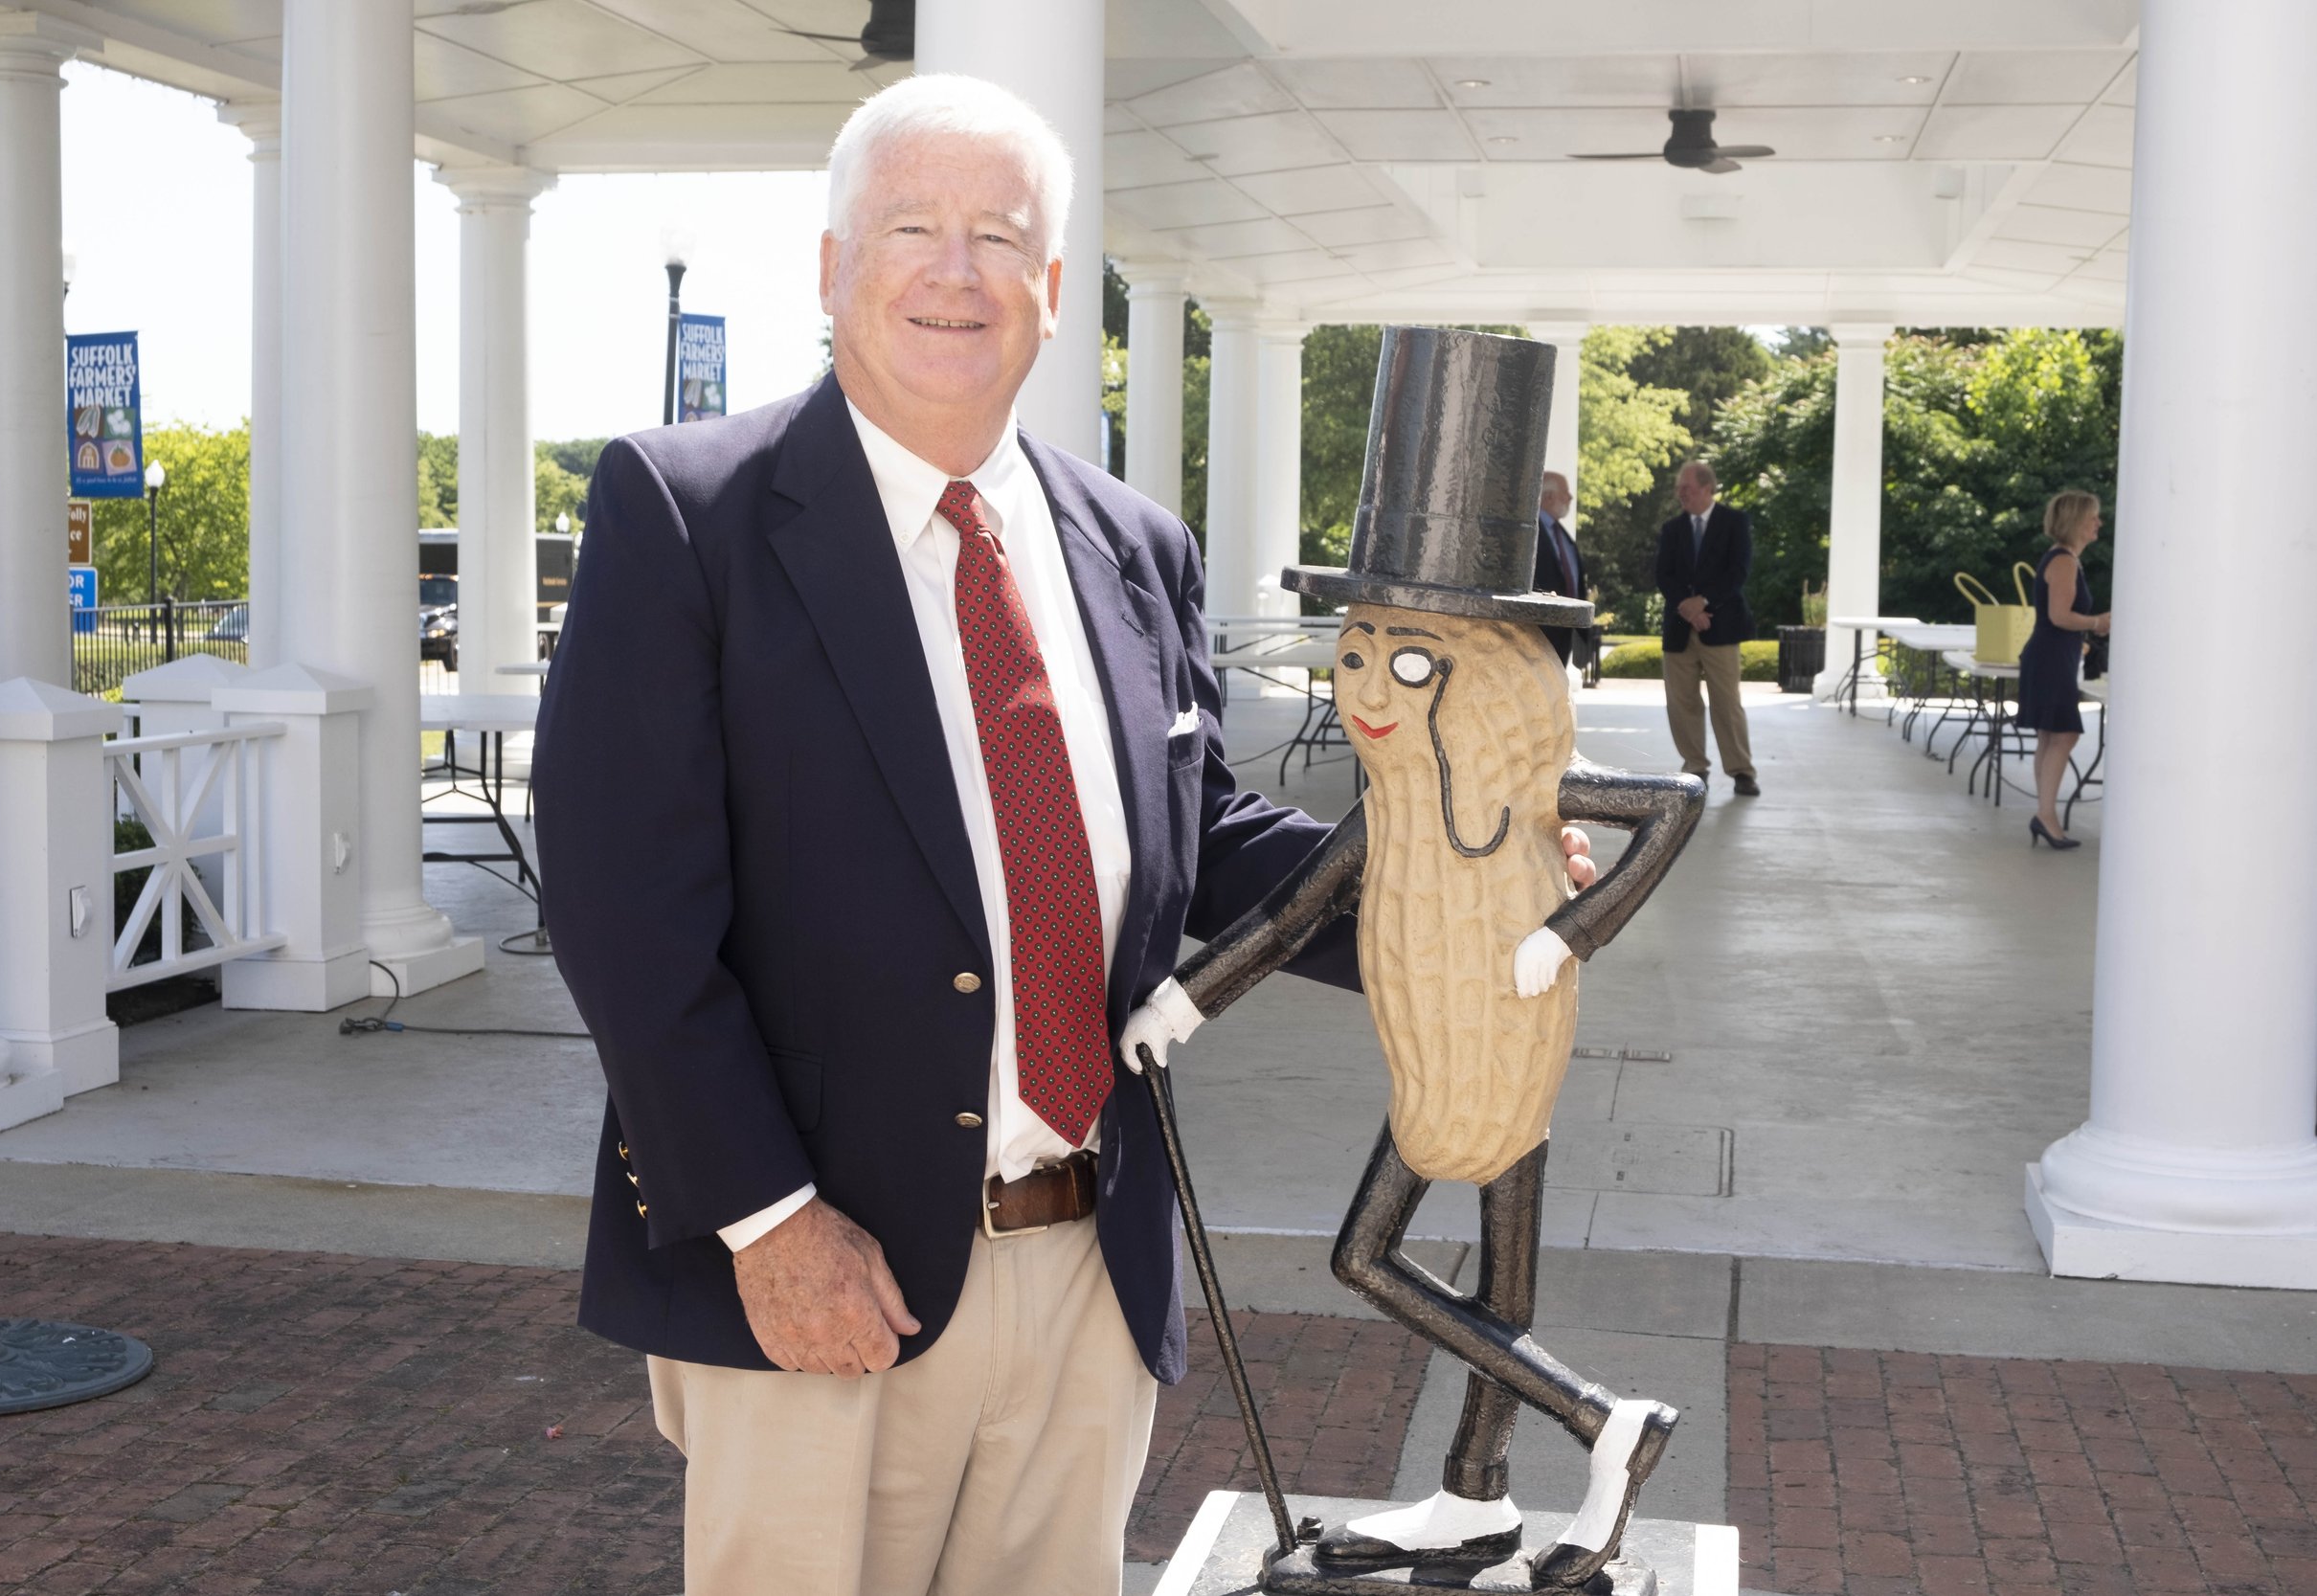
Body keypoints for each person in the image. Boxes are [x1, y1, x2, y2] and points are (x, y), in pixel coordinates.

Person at [529, 76, 1595, 1596]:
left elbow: (1200, 828)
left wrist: (1446, 892)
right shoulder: (686, 512)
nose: (954, 273)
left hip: (1092, 1262)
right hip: (832, 1269)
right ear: (832, 267)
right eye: (911, 228)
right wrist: (768, 1223)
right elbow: (625, 915)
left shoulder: (1130, 543)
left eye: (999, 239)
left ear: (1050, 292)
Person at [2014, 490, 2111, 849]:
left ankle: (2046, 813)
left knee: (2050, 736)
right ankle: (2046, 815)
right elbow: (2059, 617)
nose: (2097, 523)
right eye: (2092, 517)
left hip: (2052, 655)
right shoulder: (2065, 561)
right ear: (2075, 522)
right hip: (2052, 656)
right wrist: (2098, 621)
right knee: (2064, 735)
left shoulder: (2062, 559)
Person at [1655, 461, 1759, 796]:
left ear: (1707, 488)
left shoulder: (1734, 522)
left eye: (1686, 488)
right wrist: (1688, 608)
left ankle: (1742, 771)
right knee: (1681, 702)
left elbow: (1738, 571)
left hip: (1722, 626)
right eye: (1679, 489)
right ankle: (1695, 767)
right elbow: (1663, 575)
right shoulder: (1672, 529)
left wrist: (1704, 603)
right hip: (1680, 628)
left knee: (1727, 702)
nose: (1680, 494)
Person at [1535, 470, 1590, 669]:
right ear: (1548, 497)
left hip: (1563, 634)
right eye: (1565, 492)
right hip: (1540, 634)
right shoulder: (1531, 532)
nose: (1570, 497)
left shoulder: (1561, 534)